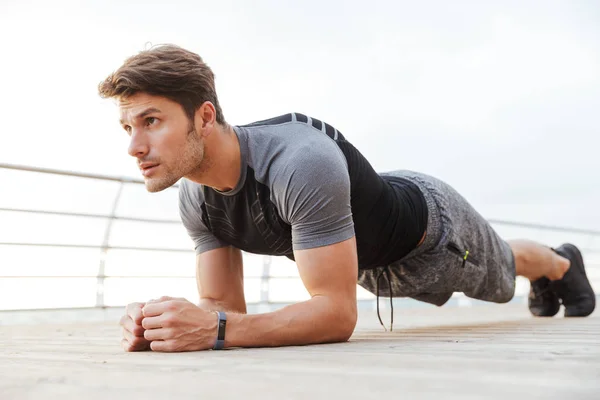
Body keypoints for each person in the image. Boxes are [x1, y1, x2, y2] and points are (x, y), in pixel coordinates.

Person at [98, 44, 596, 353]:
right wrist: (166, 324)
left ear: (204, 117)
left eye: (151, 121)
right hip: (359, 257)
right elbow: (223, 307)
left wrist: (216, 329)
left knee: (502, 274)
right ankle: (551, 268)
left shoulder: (297, 162)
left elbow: (336, 314)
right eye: (127, 127)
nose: (134, 147)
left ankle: (559, 264)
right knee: (498, 273)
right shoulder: (196, 197)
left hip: (431, 237)